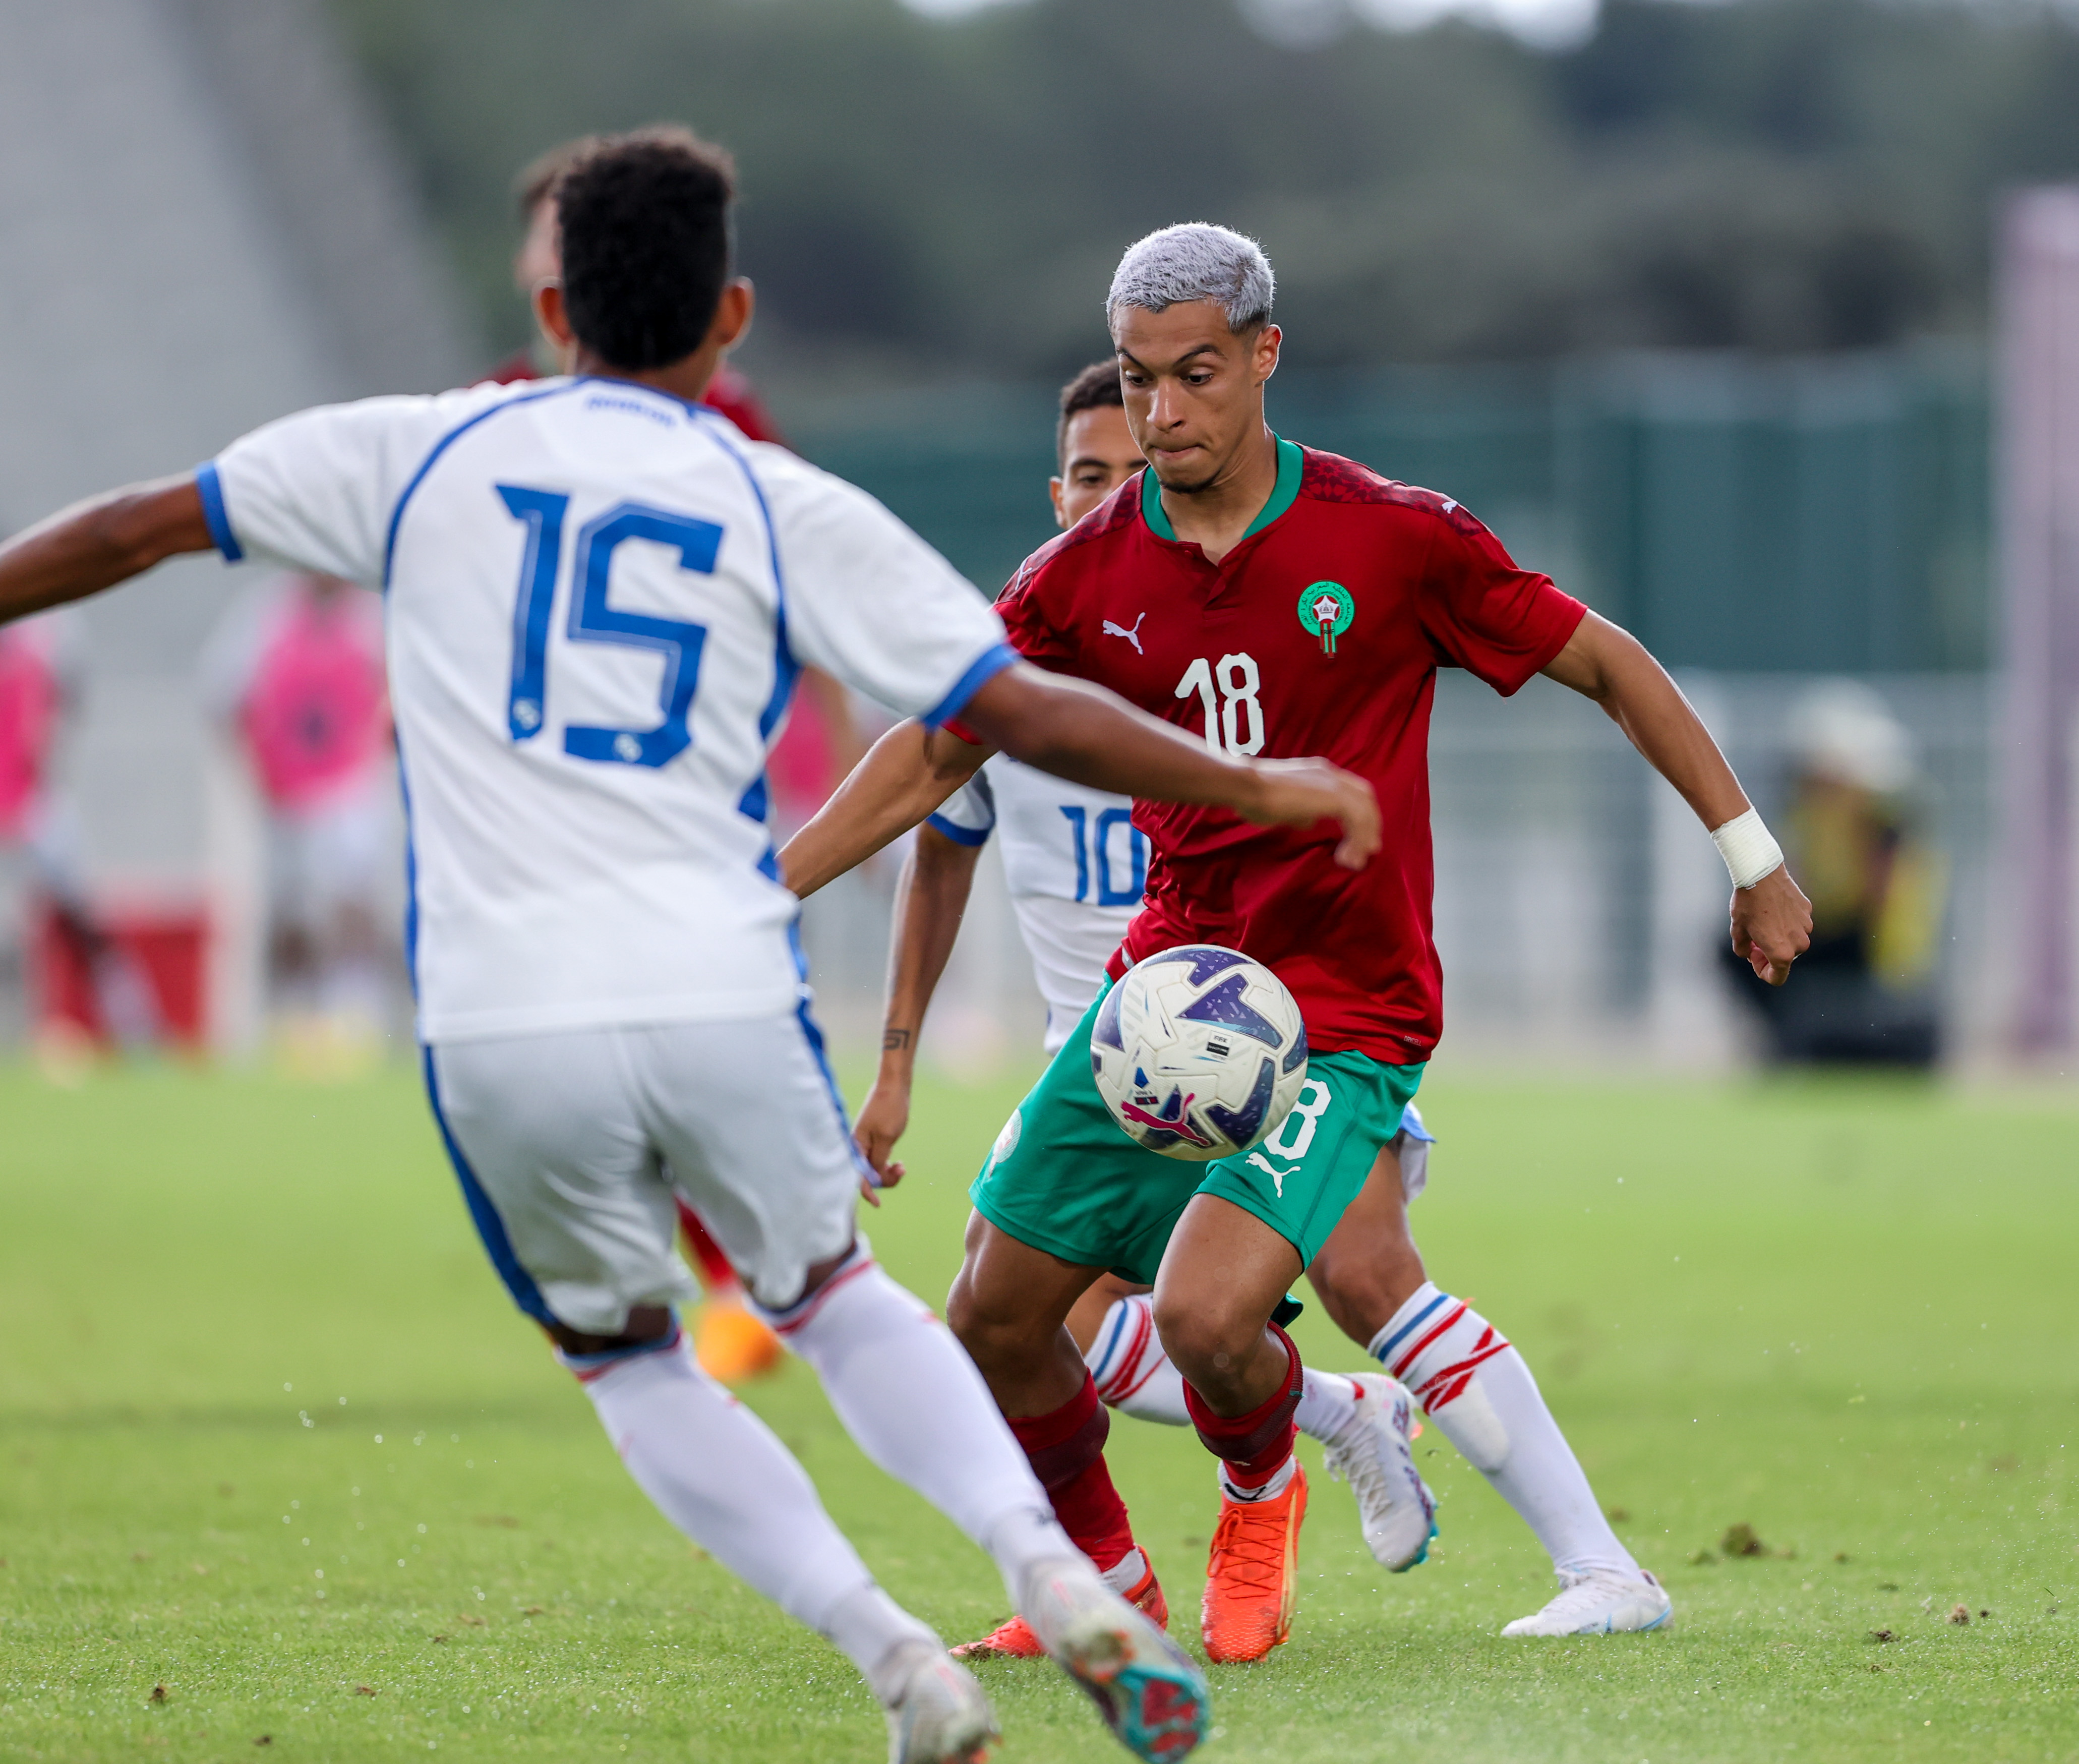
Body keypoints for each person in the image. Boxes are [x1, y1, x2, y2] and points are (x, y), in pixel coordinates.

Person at [0, 133, 1389, 1762]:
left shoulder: (418, 450)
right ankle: (1052, 1566)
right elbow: (1008, 710)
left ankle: (891, 1652)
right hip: (721, 983)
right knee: (842, 1300)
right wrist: (1251, 780)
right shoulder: (772, 494)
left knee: (630, 1360)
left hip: (504, 1014)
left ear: (550, 307)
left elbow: (136, 527)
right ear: (730, 316)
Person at [781, 223, 1814, 1665]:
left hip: (1343, 1009)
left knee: (1212, 1313)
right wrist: (766, 886)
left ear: (1266, 354)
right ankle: (1112, 1584)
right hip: (1167, 1000)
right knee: (993, 1318)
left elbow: (1604, 660)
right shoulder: (1082, 573)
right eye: (1137, 380)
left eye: (1195, 375)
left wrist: (1752, 856)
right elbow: (936, 749)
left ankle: (1435, 1520)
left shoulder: (1390, 536)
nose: (1162, 413)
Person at [846, 361, 1441, 1660]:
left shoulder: (1217, 647)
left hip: (1278, 1037)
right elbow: (936, 852)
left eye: (1142, 462)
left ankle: (1565, 1552)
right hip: (1108, 1057)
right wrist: (893, 1062)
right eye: (1094, 472)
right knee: (1003, 1320)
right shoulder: (1025, 665)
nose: (1127, 485)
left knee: (1275, 1298)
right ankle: (1306, 1436)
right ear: (1057, 494)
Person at [496, 135, 858, 1384]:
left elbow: (818, 579)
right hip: (553, 810)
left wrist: (845, 744)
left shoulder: (726, 414)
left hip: (702, 790)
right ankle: (721, 1279)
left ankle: (777, 1268)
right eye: (544, 232)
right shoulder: (494, 413)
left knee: (714, 1024)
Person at [202, 571, 394, 1065]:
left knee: (352, 902)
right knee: (291, 914)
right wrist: (254, 768)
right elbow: (223, 697)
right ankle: (292, 1020)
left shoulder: (371, 616)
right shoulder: (266, 614)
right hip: (286, 791)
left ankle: (355, 1016)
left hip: (350, 785)